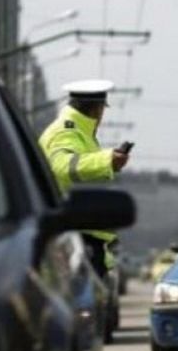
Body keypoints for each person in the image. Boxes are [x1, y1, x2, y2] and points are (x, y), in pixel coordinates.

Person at [39, 79, 130, 277]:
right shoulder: (66, 131)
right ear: (97, 109)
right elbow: (62, 166)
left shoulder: (80, 132)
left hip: (83, 238)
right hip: (76, 239)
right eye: (102, 110)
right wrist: (106, 160)